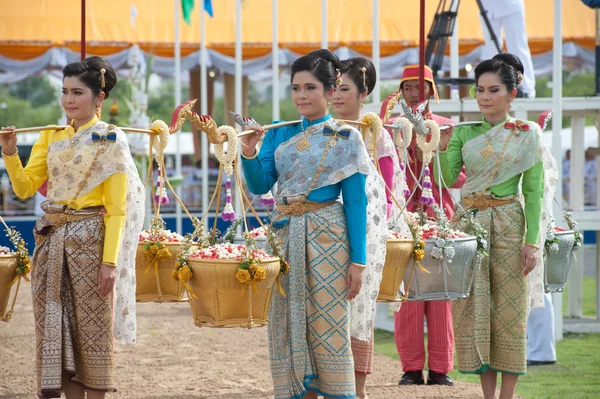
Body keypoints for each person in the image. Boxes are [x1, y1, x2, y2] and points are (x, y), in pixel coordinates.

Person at [240, 49, 387, 399]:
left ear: (329, 89)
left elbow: (355, 202)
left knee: (328, 325)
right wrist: (248, 152)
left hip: (329, 240)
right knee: (288, 324)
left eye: (310, 87)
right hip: (286, 237)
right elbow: (261, 185)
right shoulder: (278, 134)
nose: (301, 96)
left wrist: (358, 261)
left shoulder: (346, 137)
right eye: (295, 88)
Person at [0, 56, 145, 399]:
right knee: (54, 329)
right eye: (64, 92)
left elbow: (117, 209)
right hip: (51, 244)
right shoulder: (50, 137)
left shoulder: (111, 140)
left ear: (99, 97)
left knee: (91, 330)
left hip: (91, 245)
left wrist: (110, 263)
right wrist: (9, 153)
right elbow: (24, 188)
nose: (68, 100)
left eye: (77, 92)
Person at [436, 52, 557, 399]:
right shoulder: (463, 132)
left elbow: (533, 193)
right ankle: (487, 396)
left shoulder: (526, 134)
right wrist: (443, 146)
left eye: (493, 90)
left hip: (509, 225)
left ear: (512, 94)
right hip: (471, 226)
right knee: (475, 310)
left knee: (510, 312)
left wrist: (532, 241)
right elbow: (446, 179)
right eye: (480, 90)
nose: (485, 98)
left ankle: (508, 395)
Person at [381, 64, 464, 386]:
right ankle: (411, 367)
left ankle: (441, 367)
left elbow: (457, 175)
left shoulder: (445, 126)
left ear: (432, 89)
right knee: (408, 296)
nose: (416, 93)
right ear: (400, 90)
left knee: (440, 294)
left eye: (422, 86)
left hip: (438, 214)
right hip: (402, 215)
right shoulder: (390, 126)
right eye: (409, 87)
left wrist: (432, 147)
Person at [332, 56, 409, 399]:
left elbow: (387, 192)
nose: (336, 95)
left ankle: (358, 390)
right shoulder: (319, 129)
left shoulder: (375, 134)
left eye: (345, 89)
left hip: (366, 229)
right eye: (333, 88)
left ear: (364, 93)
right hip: (325, 226)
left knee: (358, 304)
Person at [479, 0, 536, 98]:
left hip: (511, 4)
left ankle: (526, 89)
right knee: (491, 51)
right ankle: (496, 87)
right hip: (487, 6)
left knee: (518, 47)